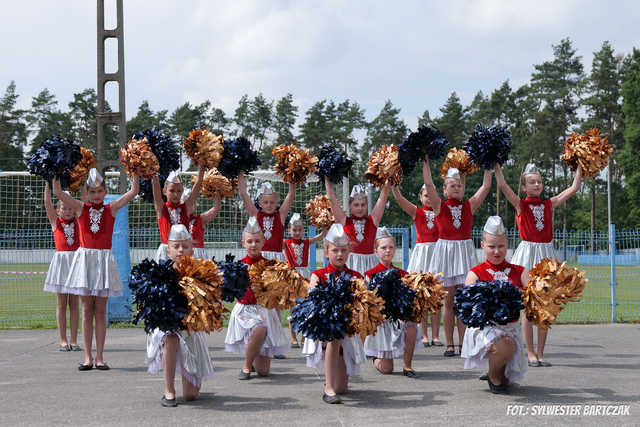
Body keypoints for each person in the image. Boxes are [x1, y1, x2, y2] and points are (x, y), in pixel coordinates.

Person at [495, 163, 582, 367]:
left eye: (539, 181)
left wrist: (579, 166)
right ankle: (531, 352)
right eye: (532, 182)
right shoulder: (520, 205)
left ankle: (541, 353)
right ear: (524, 187)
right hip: (528, 254)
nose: (536, 184)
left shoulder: (548, 204)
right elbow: (503, 185)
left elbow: (574, 188)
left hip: (546, 255)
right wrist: (497, 164)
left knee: (546, 306)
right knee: (527, 307)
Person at [53, 168, 139, 371]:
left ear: (105, 191)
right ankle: (87, 357)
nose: (96, 195)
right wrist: (54, 169)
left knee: (100, 311)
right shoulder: (80, 208)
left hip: (103, 262)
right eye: (92, 192)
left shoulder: (112, 209)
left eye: (99, 191)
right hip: (86, 262)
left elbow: (134, 191)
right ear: (86, 193)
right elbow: (58, 192)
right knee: (86, 309)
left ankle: (100, 357)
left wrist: (135, 169)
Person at [423, 159, 492, 357]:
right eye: (452, 185)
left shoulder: (469, 206)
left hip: (463, 253)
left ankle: (464, 344)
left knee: (464, 301)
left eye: (459, 185)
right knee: (448, 302)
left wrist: (489, 160)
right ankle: (449, 344)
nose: (457, 188)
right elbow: (428, 184)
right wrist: (426, 161)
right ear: (444, 189)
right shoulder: (439, 206)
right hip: (445, 253)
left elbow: (486, 186)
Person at [145, 224, 215, 407]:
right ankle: (169, 390)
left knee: (191, 396)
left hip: (190, 331)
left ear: (192, 249)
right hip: (168, 329)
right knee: (170, 336)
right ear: (168, 251)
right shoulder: (161, 274)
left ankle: (190, 381)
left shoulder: (200, 273)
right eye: (176, 246)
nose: (181, 250)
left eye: (185, 246)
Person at [461, 216, 529, 394]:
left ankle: (497, 370)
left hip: (511, 330)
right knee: (504, 346)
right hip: (484, 330)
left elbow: (533, 301)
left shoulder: (521, 272)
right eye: (491, 246)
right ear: (482, 245)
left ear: (508, 245)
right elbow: (467, 311)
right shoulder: (475, 273)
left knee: (508, 374)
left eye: (501, 246)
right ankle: (493, 375)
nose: (497, 252)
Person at [302, 223, 366, 404]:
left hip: (347, 330)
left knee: (342, 388)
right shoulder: (318, 275)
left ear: (349, 252)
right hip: (325, 331)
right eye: (335, 250)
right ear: (326, 252)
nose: (339, 254)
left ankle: (334, 385)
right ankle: (328, 389)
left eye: (343, 250)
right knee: (334, 334)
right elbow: (312, 305)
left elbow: (362, 306)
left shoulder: (356, 276)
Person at [224, 217, 289, 380]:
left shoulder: (270, 265)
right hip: (245, 310)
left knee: (264, 372)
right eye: (250, 241)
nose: (253, 244)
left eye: (257, 241)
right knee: (260, 328)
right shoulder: (238, 266)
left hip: (264, 310)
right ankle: (246, 366)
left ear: (263, 242)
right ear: (243, 243)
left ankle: (253, 358)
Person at [363, 227, 419, 377]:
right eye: (383, 248)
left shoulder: (403, 274)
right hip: (382, 322)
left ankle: (407, 366)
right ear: (376, 251)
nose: (387, 251)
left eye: (390, 247)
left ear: (395, 250)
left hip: (398, 319)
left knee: (412, 325)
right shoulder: (370, 275)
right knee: (387, 369)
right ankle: (376, 358)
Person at [391, 184, 442, 348]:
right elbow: (400, 199)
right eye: (426, 195)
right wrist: (394, 186)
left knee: (436, 297)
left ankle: (436, 335)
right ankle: (424, 335)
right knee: (421, 295)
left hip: (437, 253)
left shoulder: (442, 212)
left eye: (432, 195)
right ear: (420, 197)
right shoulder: (416, 212)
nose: (429, 198)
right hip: (422, 254)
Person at [42, 182, 80, 352]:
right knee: (61, 303)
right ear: (58, 211)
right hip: (61, 264)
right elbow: (47, 203)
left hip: (76, 263)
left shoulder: (79, 221)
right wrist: (47, 184)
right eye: (64, 208)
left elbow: (84, 202)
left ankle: (73, 340)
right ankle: (63, 340)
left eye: (70, 208)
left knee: (74, 303)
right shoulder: (55, 222)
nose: (67, 211)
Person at [325, 178, 389, 275]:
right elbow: (332, 199)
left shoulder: (373, 220)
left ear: (367, 206)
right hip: (350, 263)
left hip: (370, 263)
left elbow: (383, 197)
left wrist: (387, 176)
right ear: (350, 206)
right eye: (356, 205)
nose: (360, 208)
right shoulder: (344, 220)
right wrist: (327, 177)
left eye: (363, 205)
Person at [283, 212, 327, 348]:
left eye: (300, 230)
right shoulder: (286, 243)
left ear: (303, 230)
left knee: (305, 306)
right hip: (292, 277)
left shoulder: (306, 242)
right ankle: (293, 337)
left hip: (305, 276)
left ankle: (304, 337)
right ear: (289, 231)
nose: (297, 232)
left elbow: (320, 237)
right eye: (294, 230)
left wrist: (325, 227)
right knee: (293, 308)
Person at [237, 176, 295, 262]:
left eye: (272, 202)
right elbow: (244, 194)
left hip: (277, 259)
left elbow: (291, 194)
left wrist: (292, 173)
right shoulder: (255, 214)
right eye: (265, 202)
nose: (269, 205)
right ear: (260, 203)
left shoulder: (281, 215)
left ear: (277, 203)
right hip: (259, 258)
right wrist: (240, 174)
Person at [151, 169, 204, 262]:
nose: (176, 194)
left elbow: (198, 185)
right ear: (164, 191)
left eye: (179, 191)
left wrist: (202, 166)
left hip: (183, 251)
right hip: (166, 252)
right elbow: (155, 189)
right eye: (172, 190)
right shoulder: (161, 208)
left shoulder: (186, 207)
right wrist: (153, 171)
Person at [184, 190, 221, 259]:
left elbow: (216, 208)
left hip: (198, 255)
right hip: (183, 254)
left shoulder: (200, 219)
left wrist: (217, 191)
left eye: (193, 202)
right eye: (188, 202)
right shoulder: (176, 221)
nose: (192, 204)